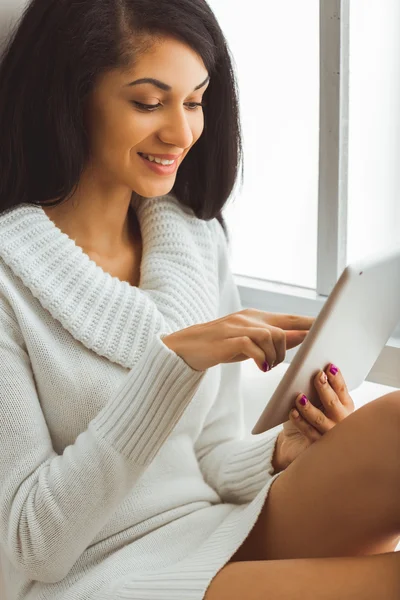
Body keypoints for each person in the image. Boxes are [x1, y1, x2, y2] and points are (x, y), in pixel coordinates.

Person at [0, 0, 398, 598]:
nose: (182, 133)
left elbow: (209, 456)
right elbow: (33, 543)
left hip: (212, 525)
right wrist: (172, 364)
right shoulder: (9, 279)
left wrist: (275, 451)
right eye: (148, 102)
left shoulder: (193, 236)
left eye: (195, 100)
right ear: (70, 98)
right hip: (99, 574)